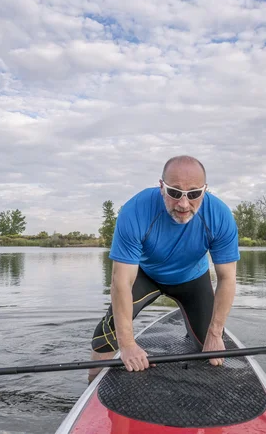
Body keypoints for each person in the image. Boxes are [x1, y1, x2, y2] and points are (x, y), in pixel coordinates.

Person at [89, 155, 240, 381]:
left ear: (205, 190)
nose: (183, 204)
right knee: (108, 333)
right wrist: (128, 344)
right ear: (161, 187)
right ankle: (91, 386)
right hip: (147, 275)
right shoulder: (135, 210)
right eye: (175, 192)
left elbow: (227, 279)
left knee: (212, 352)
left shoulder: (220, 216)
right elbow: (120, 281)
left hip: (192, 279)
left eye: (194, 194)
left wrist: (215, 333)